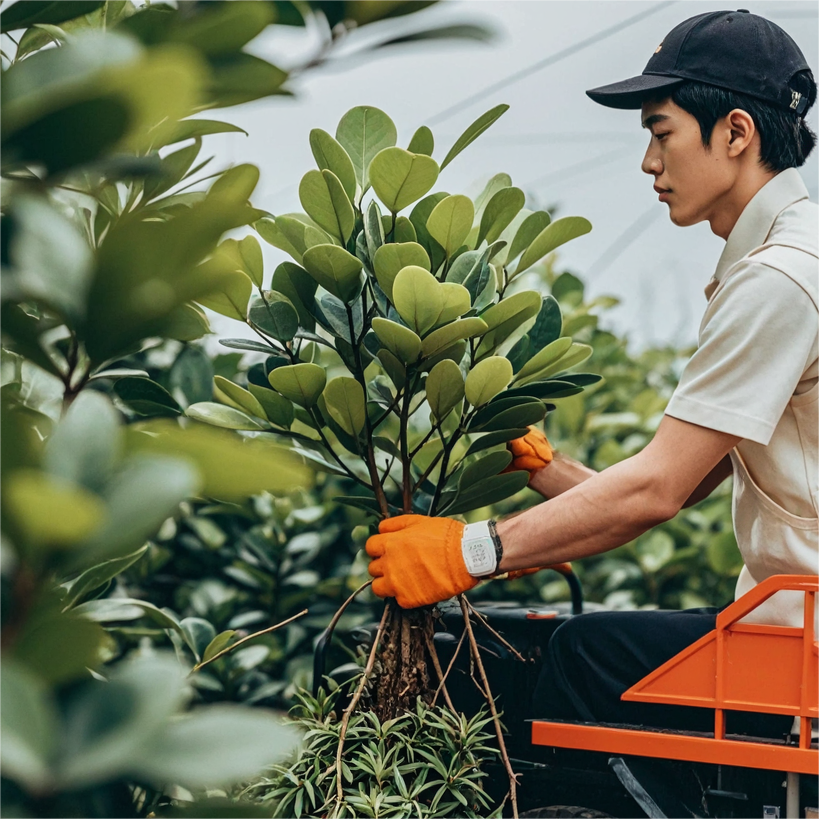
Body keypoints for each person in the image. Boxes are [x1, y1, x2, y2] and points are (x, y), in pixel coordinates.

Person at [366, 9, 819, 736]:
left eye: (660, 131)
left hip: (802, 644)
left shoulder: (781, 279)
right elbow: (681, 476)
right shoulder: (790, 258)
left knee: (580, 653)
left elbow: (655, 492)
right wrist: (545, 467)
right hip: (784, 619)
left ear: (734, 133)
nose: (647, 162)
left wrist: (468, 549)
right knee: (587, 645)